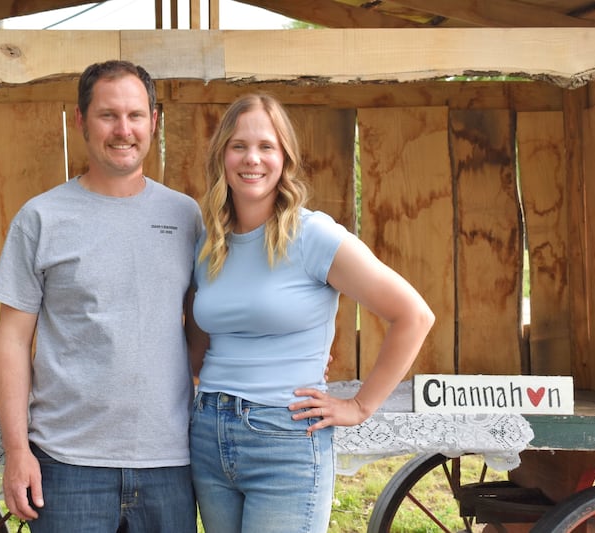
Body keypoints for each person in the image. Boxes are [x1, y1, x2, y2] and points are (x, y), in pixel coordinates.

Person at [185, 93, 435, 533]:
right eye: (239, 146)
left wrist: (360, 406)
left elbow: (413, 315)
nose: (252, 159)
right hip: (208, 433)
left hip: (284, 436)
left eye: (267, 146)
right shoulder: (210, 242)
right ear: (221, 155)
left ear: (285, 158)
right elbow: (202, 335)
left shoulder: (311, 235)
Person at [0, 60, 202, 532]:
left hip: (169, 461)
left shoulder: (186, 216)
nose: (123, 129)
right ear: (81, 121)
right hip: (66, 466)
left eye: (136, 115)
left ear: (154, 122)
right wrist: (17, 450)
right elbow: (11, 339)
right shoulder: (41, 218)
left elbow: (206, 324)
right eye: (108, 115)